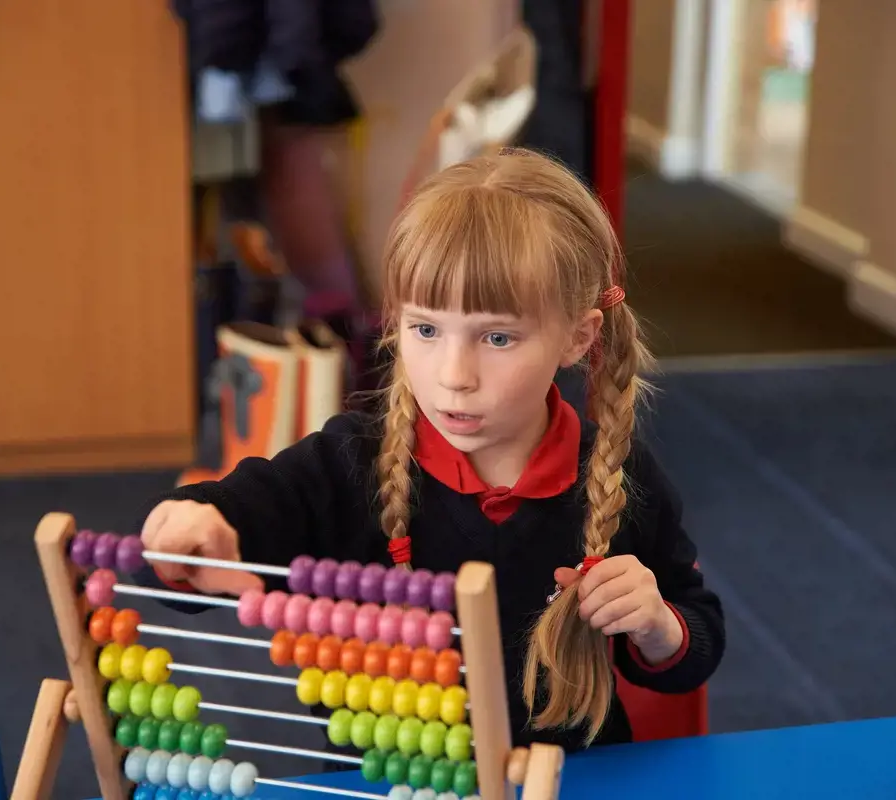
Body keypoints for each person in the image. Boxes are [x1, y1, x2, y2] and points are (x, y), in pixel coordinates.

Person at [134, 148, 725, 753]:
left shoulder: (618, 477)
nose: (453, 374)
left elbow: (695, 641)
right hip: (381, 787)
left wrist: (656, 625)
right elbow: (214, 531)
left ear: (578, 337)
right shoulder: (346, 466)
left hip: (565, 779)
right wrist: (194, 525)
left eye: (497, 337)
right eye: (425, 329)